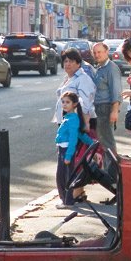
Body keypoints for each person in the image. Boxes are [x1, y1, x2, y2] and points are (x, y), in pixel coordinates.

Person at [53, 48, 96, 204]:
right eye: (65, 61)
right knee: (71, 162)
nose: (67, 64)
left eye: (71, 61)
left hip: (77, 124)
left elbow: (85, 104)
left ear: (79, 63)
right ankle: (74, 195)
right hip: (68, 123)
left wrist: (84, 124)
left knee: (71, 163)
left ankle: (70, 197)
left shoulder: (83, 79)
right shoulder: (68, 78)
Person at [54, 91, 94, 208]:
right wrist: (91, 142)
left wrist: (68, 156)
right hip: (63, 149)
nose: (64, 104)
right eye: (63, 102)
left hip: (66, 150)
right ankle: (66, 199)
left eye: (67, 102)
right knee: (62, 175)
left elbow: (72, 139)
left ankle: (67, 201)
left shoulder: (72, 119)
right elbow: (79, 134)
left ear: (75, 104)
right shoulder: (70, 118)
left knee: (64, 176)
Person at [90, 41, 123, 180]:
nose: (97, 55)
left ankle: (113, 176)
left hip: (106, 108)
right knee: (103, 142)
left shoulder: (111, 68)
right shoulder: (100, 68)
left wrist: (114, 111)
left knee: (107, 142)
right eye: (95, 52)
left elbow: (116, 91)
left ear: (106, 52)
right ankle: (109, 175)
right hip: (99, 108)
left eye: (100, 52)